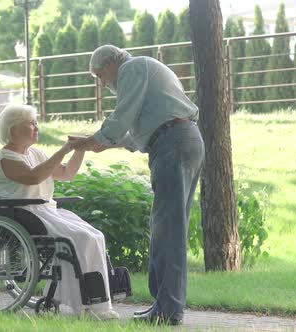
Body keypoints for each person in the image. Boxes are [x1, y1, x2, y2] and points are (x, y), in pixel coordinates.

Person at [72, 45, 205, 325]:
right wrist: (101, 144)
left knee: (168, 230)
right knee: (167, 227)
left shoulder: (132, 68)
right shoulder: (147, 70)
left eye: (100, 75)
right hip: (181, 140)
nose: (102, 82)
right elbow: (137, 133)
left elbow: (122, 117)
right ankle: (164, 306)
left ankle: (167, 310)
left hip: (173, 144)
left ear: (110, 64)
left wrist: (94, 140)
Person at [0, 104, 119, 320]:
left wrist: (79, 149)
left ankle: (97, 303)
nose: (36, 127)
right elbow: (33, 177)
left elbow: (67, 173)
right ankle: (89, 305)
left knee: (95, 236)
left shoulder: (37, 153)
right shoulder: (5, 158)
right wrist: (64, 149)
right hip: (24, 213)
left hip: (46, 210)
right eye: (31, 123)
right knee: (81, 238)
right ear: (13, 130)